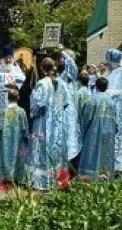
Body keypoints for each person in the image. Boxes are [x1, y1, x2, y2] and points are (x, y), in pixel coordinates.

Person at [27, 57, 81, 189]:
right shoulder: (62, 84)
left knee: (42, 150)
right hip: (58, 124)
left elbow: (36, 105)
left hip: (43, 122)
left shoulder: (42, 84)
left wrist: (35, 110)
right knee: (57, 150)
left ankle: (43, 181)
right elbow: (67, 103)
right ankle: (59, 180)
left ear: (42, 68)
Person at [0, 47, 26, 153]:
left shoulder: (16, 69)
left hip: (11, 97)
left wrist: (12, 81)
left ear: (12, 58)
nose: (8, 60)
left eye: (10, 58)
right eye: (6, 57)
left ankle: (9, 144)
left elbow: (22, 79)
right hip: (1, 97)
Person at [79, 77, 117, 180]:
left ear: (96, 86)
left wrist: (82, 133)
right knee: (106, 155)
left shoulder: (92, 100)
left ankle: (90, 177)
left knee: (92, 154)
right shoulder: (112, 102)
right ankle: (106, 178)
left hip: (94, 132)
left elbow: (86, 119)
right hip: (109, 132)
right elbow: (116, 121)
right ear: (107, 87)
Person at [0, 88, 29, 185]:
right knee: (18, 156)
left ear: (8, 98)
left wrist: (0, 138)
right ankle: (18, 177)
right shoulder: (21, 111)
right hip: (18, 139)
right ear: (18, 98)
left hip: (6, 139)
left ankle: (5, 177)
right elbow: (25, 127)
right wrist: (26, 137)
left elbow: (0, 127)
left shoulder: (4, 111)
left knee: (5, 156)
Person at [104, 49, 122, 175]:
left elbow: (112, 93)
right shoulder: (116, 72)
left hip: (117, 112)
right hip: (116, 111)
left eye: (108, 60)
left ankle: (118, 164)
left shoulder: (119, 73)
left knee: (118, 136)